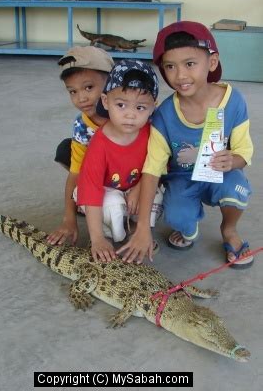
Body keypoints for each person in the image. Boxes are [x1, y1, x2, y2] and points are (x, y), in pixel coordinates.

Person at [118, 21, 254, 268]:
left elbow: (245, 151)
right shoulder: (164, 115)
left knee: (237, 190)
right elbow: (152, 169)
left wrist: (232, 161)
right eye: (170, 66)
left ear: (212, 62)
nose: (180, 75)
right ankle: (188, 231)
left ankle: (229, 230)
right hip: (182, 178)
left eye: (190, 64)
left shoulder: (233, 101)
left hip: (222, 175)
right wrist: (142, 228)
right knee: (178, 216)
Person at [75, 59, 163, 263]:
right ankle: (108, 234)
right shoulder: (100, 142)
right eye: (121, 104)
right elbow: (91, 188)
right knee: (113, 205)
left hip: (134, 187)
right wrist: (96, 238)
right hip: (107, 190)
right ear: (105, 102)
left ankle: (138, 232)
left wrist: (139, 188)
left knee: (154, 197)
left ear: (153, 107)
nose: (130, 115)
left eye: (141, 107)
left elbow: (158, 169)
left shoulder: (151, 134)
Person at [47, 46, 114, 246]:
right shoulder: (82, 125)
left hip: (132, 175)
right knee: (66, 150)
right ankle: (86, 202)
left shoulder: (131, 115)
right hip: (102, 174)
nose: (81, 98)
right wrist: (69, 219)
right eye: (73, 91)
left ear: (111, 82)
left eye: (88, 87)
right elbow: (74, 174)